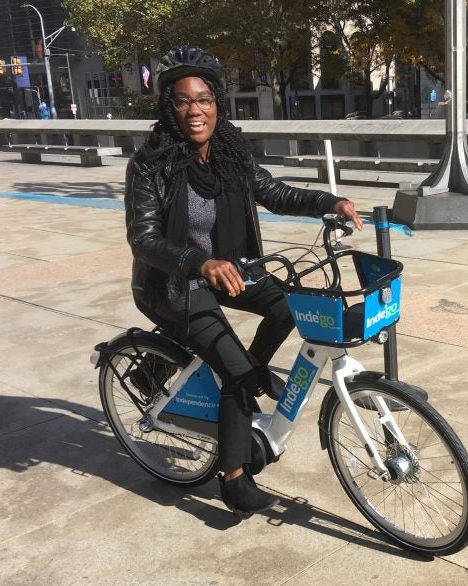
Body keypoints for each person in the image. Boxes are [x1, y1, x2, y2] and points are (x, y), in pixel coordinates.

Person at [124, 46, 362, 516]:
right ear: (168, 107)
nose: (196, 111)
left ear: (218, 104)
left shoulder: (230, 152)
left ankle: (249, 369)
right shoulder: (149, 164)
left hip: (234, 268)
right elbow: (143, 238)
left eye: (205, 99)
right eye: (183, 101)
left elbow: (273, 191)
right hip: (174, 285)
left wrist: (328, 203)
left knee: (287, 307)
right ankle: (234, 479)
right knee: (235, 378)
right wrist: (199, 262)